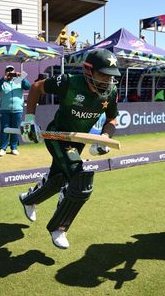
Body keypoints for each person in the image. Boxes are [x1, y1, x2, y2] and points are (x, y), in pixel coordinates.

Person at [18, 48, 120, 249]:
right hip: (57, 135)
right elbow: (36, 88)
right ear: (88, 71)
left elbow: (112, 119)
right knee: (81, 178)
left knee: (58, 180)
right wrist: (29, 120)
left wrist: (105, 137)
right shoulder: (69, 82)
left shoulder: (111, 92)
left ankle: (29, 199)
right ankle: (59, 227)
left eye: (111, 77)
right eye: (103, 75)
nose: (107, 81)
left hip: (78, 141)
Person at [0, 65, 31, 156]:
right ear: (5, 72)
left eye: (11, 71)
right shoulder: (3, 82)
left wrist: (21, 76)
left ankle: (14, 148)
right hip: (5, 109)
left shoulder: (18, 81)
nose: (10, 73)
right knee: (5, 129)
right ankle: (3, 149)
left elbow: (28, 86)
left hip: (17, 109)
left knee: (15, 129)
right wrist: (3, 78)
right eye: (8, 71)